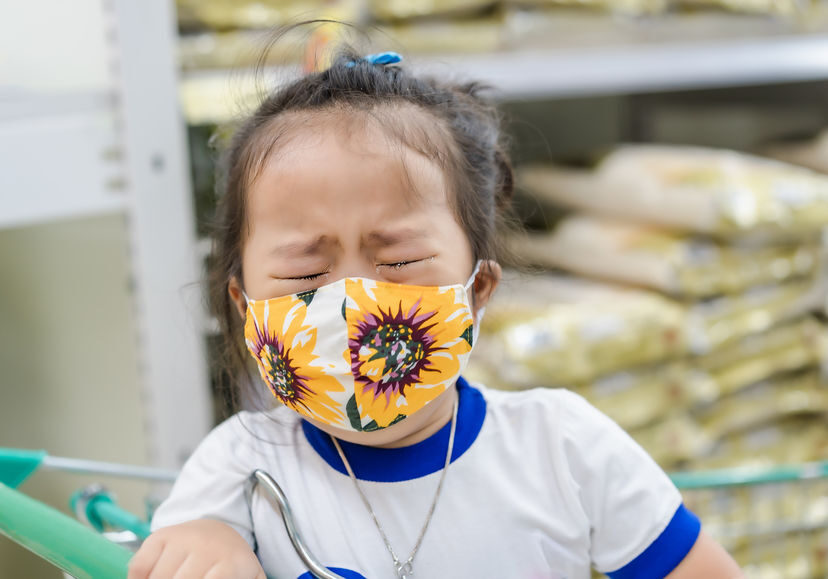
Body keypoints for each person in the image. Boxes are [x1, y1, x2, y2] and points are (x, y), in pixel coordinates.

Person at [128, 43, 743, 579]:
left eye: (398, 261)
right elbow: (181, 550)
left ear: (478, 290)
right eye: (304, 272)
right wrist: (204, 541)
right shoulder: (238, 468)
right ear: (244, 306)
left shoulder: (562, 447)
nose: (351, 307)